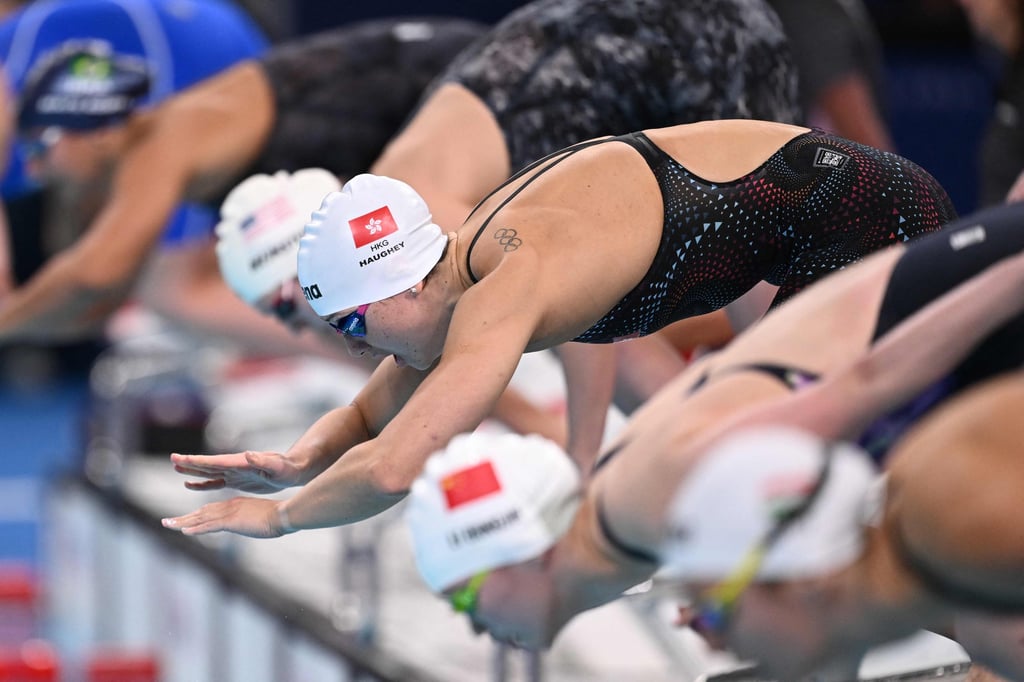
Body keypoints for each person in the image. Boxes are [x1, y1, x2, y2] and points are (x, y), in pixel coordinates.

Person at [0, 0, 800, 451]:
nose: (31, 173)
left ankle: (753, 444)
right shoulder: (385, 228)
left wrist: (584, 464)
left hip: (681, 37)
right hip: (511, 66)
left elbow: (587, 328)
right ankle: (739, 435)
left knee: (763, 290)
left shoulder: (164, 146)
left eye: (308, 314)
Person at [161, 114, 956, 539]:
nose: (353, 347)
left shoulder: (502, 290)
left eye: (352, 325)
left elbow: (394, 468)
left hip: (870, 220)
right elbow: (372, 417)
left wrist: (277, 519)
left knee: (763, 470)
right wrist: (297, 463)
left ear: (400, 287)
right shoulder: (456, 273)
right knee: (759, 463)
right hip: (834, 222)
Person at [401, 205, 1024, 678]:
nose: (475, 627)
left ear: (525, 553)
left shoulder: (664, 492)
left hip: (965, 307)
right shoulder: (629, 522)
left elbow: (870, 381)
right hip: (941, 327)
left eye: (466, 596)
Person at [0, 0, 269, 298]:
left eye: (36, 149)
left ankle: (322, 332)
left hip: (186, 48)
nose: (32, 167)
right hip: (210, 29)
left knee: (173, 290)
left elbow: (94, 274)